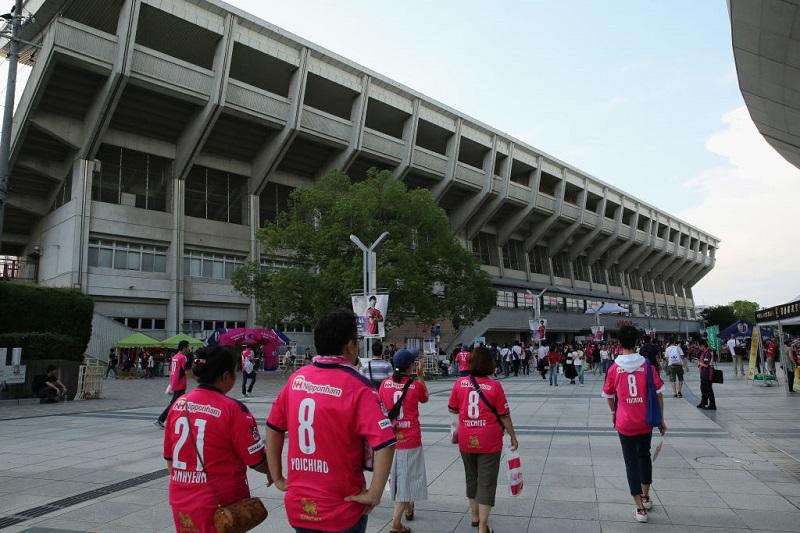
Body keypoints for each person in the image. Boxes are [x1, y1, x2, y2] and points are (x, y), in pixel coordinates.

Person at [266, 310, 396, 533]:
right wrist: (375, 493)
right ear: (350, 345)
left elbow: (273, 427)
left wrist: (277, 476)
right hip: (342, 508)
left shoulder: (296, 379)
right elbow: (386, 442)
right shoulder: (358, 386)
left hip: (299, 507)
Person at [163, 345, 270, 533]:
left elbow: (170, 458)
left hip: (181, 500)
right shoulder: (233, 409)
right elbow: (256, 459)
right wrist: (273, 472)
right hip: (220, 506)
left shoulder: (179, 404)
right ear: (226, 376)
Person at [448, 346, 518, 533]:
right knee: (486, 481)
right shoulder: (494, 386)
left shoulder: (460, 383)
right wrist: (513, 436)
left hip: (466, 438)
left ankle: (474, 517)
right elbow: (504, 415)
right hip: (490, 440)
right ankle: (482, 526)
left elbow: (452, 408)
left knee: (471, 477)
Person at [601, 326, 667, 523]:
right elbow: (659, 394)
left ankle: (639, 508)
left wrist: (614, 412)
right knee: (644, 456)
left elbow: (609, 395)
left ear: (619, 343)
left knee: (630, 461)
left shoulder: (614, 368)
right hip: (645, 421)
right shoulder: (647, 366)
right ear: (637, 341)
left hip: (624, 422)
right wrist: (660, 420)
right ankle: (646, 497)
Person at [379, 350, 429, 533]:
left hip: (390, 439)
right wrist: (421, 376)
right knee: (406, 481)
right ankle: (395, 524)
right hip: (410, 439)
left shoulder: (385, 384)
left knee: (399, 477)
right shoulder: (415, 386)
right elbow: (425, 398)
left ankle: (408, 508)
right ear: (410, 367)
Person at [155, 340, 191, 428]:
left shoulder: (175, 357)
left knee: (180, 403)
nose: (189, 349)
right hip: (180, 384)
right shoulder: (183, 357)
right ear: (184, 347)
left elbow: (172, 371)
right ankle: (161, 419)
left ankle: (178, 420)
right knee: (175, 403)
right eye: (188, 347)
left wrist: (171, 384)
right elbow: (186, 371)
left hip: (175, 382)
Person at [697, 339, 716, 410]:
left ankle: (712, 405)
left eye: (699, 346)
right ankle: (703, 403)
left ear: (702, 345)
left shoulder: (708, 353)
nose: (698, 347)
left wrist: (699, 363)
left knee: (708, 389)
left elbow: (706, 365)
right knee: (703, 388)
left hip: (707, 374)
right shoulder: (703, 352)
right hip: (703, 373)